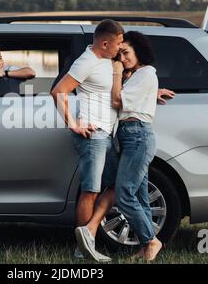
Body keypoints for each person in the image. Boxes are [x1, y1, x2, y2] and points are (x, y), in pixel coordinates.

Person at [78, 31, 167, 261]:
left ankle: (151, 240)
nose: (122, 58)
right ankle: (146, 248)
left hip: (138, 136)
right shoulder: (137, 75)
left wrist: (117, 72)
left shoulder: (146, 73)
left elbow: (117, 101)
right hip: (127, 136)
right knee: (140, 195)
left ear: (139, 51)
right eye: (119, 53)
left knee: (125, 194)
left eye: (126, 53)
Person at [51, 19, 124, 262]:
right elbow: (59, 91)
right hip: (93, 135)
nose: (121, 48)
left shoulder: (105, 60)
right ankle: (82, 252)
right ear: (105, 43)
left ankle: (90, 231)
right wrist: (72, 122)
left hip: (108, 134)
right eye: (118, 43)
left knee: (116, 184)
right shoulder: (87, 62)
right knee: (90, 190)